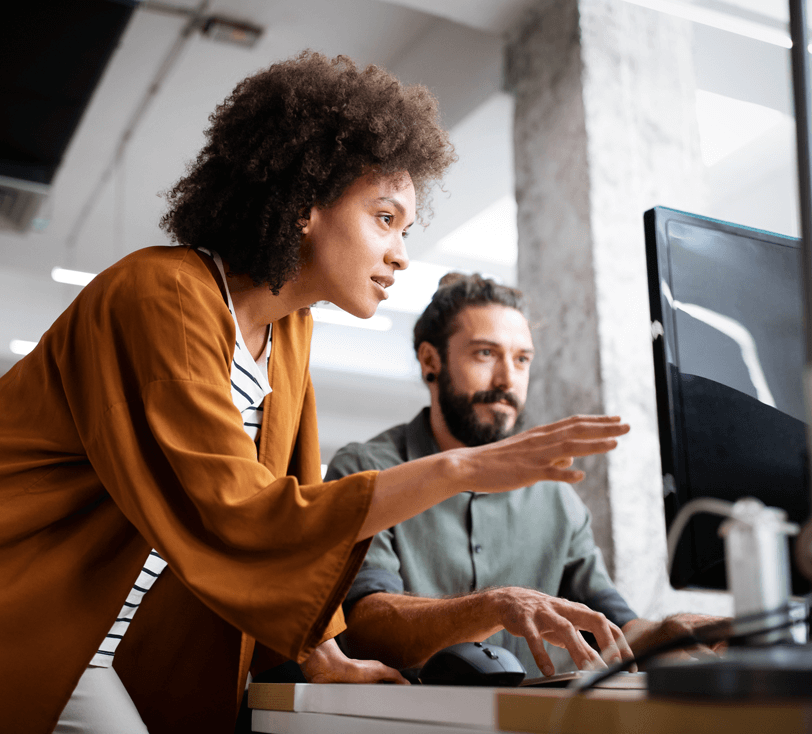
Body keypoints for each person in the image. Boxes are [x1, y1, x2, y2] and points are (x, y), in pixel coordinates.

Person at [0, 53, 631, 734]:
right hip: (27, 605)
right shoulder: (164, 295)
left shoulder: (288, 331)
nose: (399, 254)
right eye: (384, 217)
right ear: (305, 201)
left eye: (405, 229)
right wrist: (462, 469)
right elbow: (240, 511)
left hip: (99, 637)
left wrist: (323, 657)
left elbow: (295, 503)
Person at [328, 273, 720, 680]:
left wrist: (669, 633)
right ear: (431, 361)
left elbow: (613, 626)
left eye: (522, 359)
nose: (506, 381)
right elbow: (364, 627)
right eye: (485, 354)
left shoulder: (556, 493)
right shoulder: (366, 470)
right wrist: (494, 606)